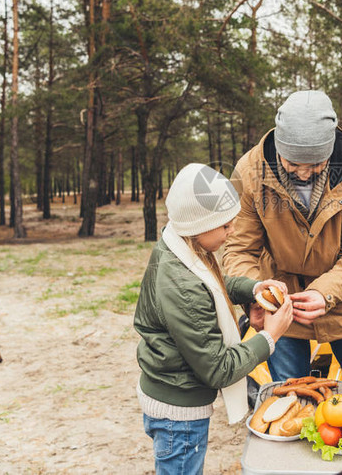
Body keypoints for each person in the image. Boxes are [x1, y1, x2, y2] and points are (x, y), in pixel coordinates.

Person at [134, 163, 293, 475]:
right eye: (225, 226)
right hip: (178, 416)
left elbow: (216, 285)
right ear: (198, 225)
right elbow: (219, 369)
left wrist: (253, 289)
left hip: (173, 398)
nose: (231, 231)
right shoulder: (181, 285)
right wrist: (269, 338)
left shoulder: (180, 248)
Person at [223, 90, 342, 381]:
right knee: (289, 394)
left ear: (330, 152)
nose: (304, 174)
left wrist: (325, 292)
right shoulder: (249, 172)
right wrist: (255, 293)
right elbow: (240, 250)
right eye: (293, 164)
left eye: (316, 165)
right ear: (280, 149)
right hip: (282, 302)